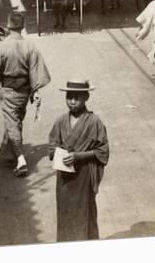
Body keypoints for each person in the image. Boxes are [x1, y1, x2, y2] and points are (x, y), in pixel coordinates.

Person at [0, 12, 51, 176]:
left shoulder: (3, 46)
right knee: (15, 121)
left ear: (8, 26)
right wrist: (35, 91)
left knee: (12, 123)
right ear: (22, 27)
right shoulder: (30, 46)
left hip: (9, 90)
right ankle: (8, 153)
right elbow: (36, 71)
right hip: (24, 91)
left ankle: (20, 159)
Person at [49, 80, 109, 242]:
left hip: (83, 176)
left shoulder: (94, 122)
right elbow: (52, 144)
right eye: (69, 97)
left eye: (77, 98)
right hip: (64, 177)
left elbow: (102, 150)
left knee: (84, 213)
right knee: (65, 212)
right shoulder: (61, 121)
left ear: (86, 97)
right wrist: (58, 153)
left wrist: (78, 156)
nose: (72, 102)